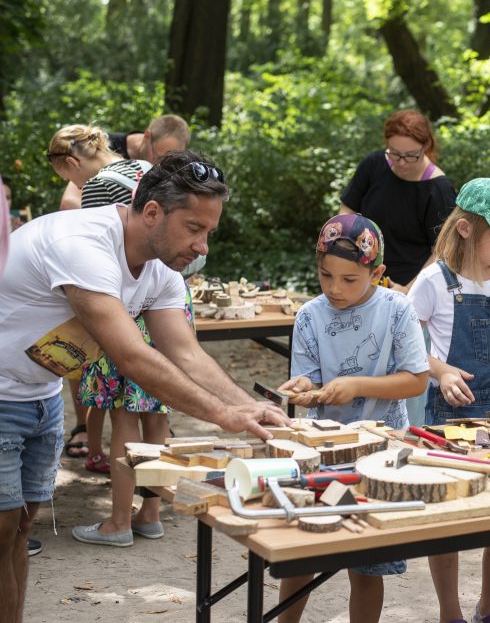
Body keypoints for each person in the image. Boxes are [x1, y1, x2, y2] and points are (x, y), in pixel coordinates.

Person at [0, 150, 291, 623]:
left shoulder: (160, 268)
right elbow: (133, 356)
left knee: (18, 530)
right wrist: (222, 415)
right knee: (1, 530)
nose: (203, 248)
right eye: (194, 229)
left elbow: (186, 352)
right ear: (152, 211)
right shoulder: (84, 245)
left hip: (40, 397)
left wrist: (250, 407)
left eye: (209, 233)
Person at [274, 213, 429, 623]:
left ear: (377, 273)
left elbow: (416, 380)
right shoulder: (310, 315)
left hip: (383, 451)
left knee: (366, 563)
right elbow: (312, 384)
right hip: (324, 451)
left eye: (348, 280)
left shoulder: (397, 309)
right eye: (326, 276)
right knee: (303, 553)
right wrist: (305, 388)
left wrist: (358, 385)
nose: (334, 289)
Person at [408, 178, 490, 623]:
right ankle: (450, 611)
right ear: (465, 229)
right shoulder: (434, 280)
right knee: (449, 518)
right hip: (455, 413)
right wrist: (441, 371)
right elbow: (404, 345)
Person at [46, 124, 156, 472]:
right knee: (153, 401)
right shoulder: (146, 169)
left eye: (66, 176)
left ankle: (110, 480)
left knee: (114, 397)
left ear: (71, 163)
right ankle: (151, 500)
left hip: (125, 302)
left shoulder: (97, 187)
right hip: (161, 292)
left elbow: (98, 256)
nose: (74, 187)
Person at [340, 109, 457, 291]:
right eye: (394, 153)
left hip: (409, 287)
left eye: (410, 155)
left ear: (426, 146)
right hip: (361, 276)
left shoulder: (439, 190)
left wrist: (408, 289)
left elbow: (443, 251)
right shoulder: (374, 164)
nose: (401, 162)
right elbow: (347, 211)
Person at [58, 114, 190, 211]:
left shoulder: (169, 167)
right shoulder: (102, 148)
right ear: (147, 136)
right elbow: (68, 203)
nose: (161, 166)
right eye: (159, 157)